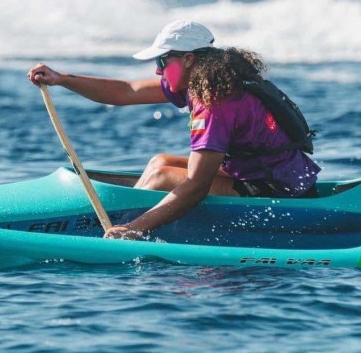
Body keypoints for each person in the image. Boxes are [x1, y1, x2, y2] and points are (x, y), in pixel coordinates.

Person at [27, 20, 320, 240]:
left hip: (281, 192)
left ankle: (113, 228)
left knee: (163, 175)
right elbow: (126, 91)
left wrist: (134, 230)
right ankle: (109, 217)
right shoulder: (203, 80)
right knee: (160, 162)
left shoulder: (215, 101)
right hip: (264, 173)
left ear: (189, 59)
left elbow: (195, 188)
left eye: (162, 61)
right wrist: (62, 79)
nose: (157, 70)